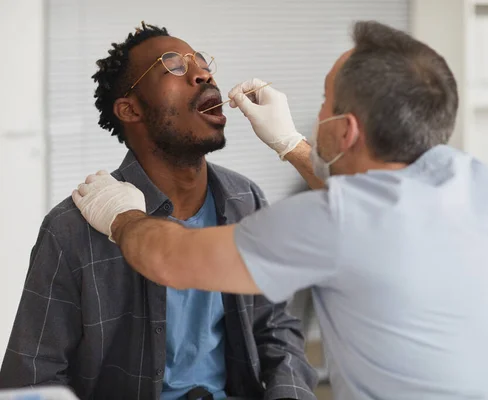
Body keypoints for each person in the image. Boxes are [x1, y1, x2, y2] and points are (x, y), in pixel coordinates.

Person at [70, 21, 488, 400]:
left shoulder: (328, 221)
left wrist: (121, 215)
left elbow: (169, 260)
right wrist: (291, 146)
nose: (202, 72)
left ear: (345, 131)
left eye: (325, 103)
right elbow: (374, 199)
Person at [0, 22, 317, 400]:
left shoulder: (244, 199)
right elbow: (32, 379)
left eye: (201, 62)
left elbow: (276, 329)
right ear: (129, 109)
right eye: (174, 66)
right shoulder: (71, 228)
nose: (203, 73)